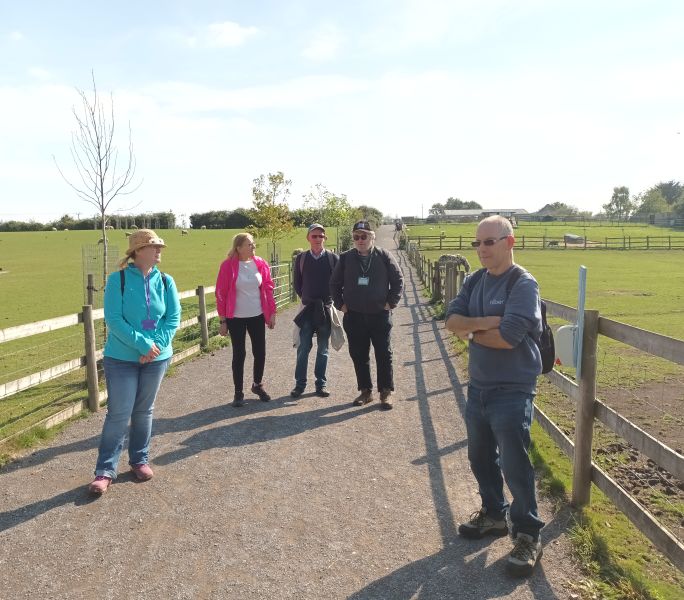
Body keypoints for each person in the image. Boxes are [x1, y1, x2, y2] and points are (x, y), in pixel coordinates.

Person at [445, 215, 545, 577]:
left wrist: (471, 329)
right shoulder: (475, 280)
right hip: (480, 386)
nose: (482, 249)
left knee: (515, 463)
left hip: (513, 388)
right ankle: (493, 514)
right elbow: (451, 320)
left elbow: (510, 337)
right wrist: (488, 322)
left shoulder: (523, 284)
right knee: (479, 455)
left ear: (509, 242)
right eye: (478, 243)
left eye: (489, 242)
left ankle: (528, 532)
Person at [89, 229, 181, 495]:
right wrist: (142, 344)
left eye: (160, 247)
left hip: (157, 358)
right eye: (155, 246)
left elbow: (172, 318)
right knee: (119, 414)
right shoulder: (117, 280)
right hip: (121, 358)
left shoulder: (166, 281)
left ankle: (139, 460)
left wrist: (156, 347)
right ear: (138, 251)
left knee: (144, 411)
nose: (160, 250)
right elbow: (114, 320)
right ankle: (105, 470)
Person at [330, 220, 403, 410]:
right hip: (354, 316)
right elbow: (334, 284)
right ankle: (365, 391)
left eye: (364, 236)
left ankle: (385, 392)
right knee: (359, 354)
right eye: (356, 237)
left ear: (372, 236)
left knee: (383, 353)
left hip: (379, 314)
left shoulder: (384, 256)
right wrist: (341, 304)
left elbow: (398, 279)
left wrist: (391, 302)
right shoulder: (345, 258)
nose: (360, 240)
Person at [215, 232, 276, 407]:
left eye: (253, 243)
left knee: (260, 352)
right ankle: (238, 392)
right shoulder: (228, 266)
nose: (253, 246)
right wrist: (223, 320)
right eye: (249, 244)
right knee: (239, 354)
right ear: (239, 248)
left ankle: (257, 385)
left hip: (257, 315)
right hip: (236, 318)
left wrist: (272, 313)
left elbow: (268, 288)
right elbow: (221, 293)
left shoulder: (261, 264)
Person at [291, 223, 339, 398]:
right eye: (314, 236)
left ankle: (321, 384)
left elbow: (339, 283)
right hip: (307, 310)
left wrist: (331, 300)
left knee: (323, 349)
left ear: (325, 238)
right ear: (308, 238)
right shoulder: (301, 259)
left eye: (321, 236)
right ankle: (300, 385)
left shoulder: (333, 259)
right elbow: (297, 284)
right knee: (303, 348)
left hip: (325, 309)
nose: (318, 239)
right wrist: (306, 298)